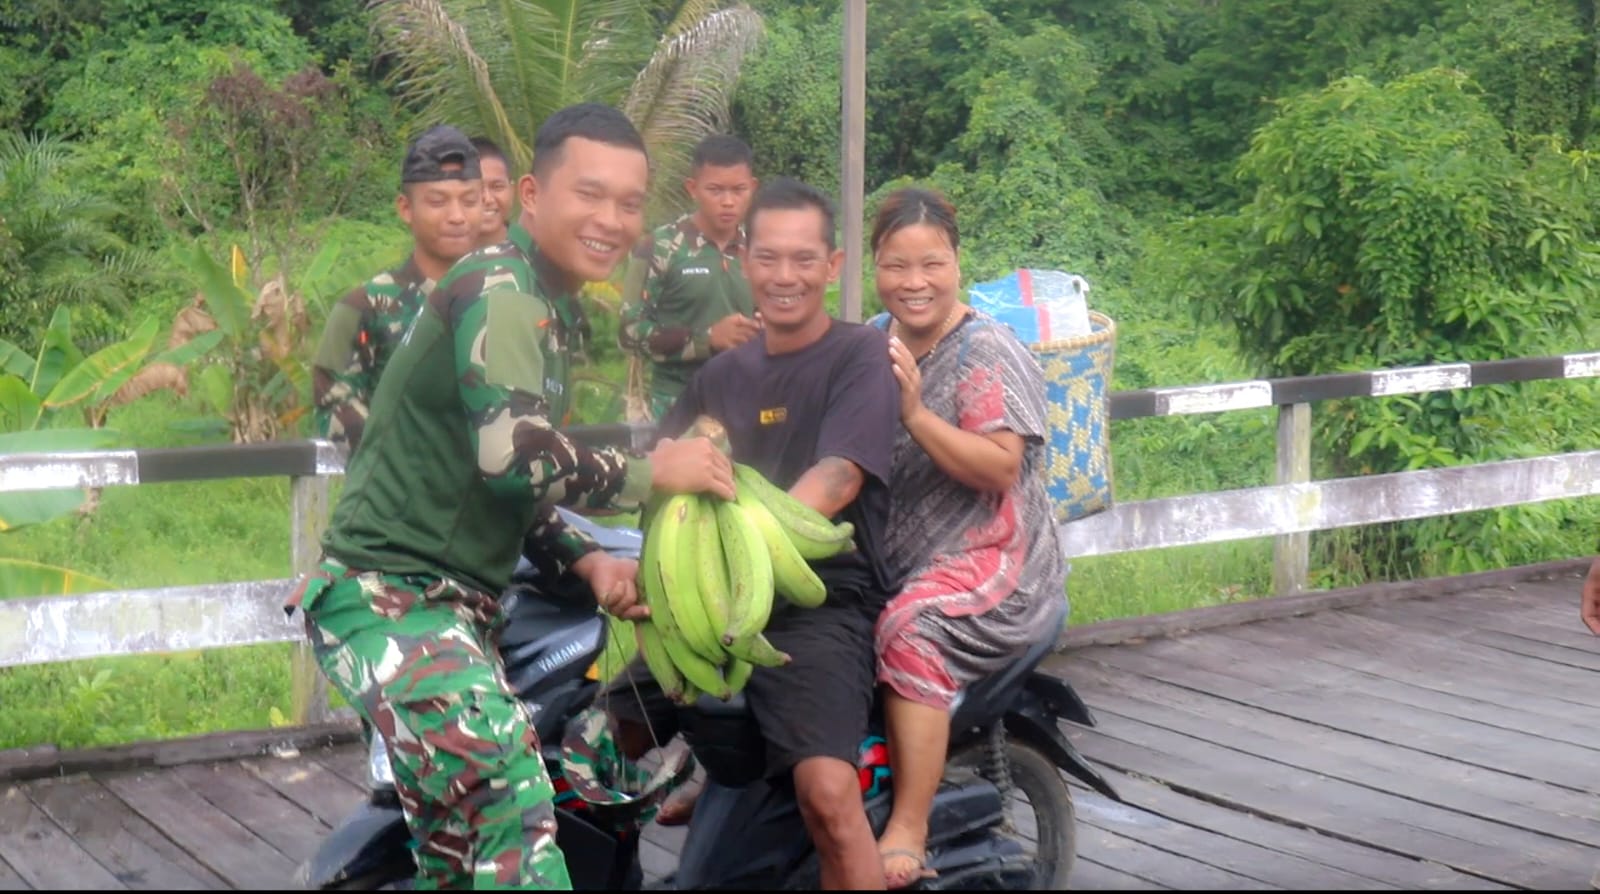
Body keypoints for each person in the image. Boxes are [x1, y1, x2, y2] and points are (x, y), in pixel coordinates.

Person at [283, 102, 735, 891]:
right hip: (397, 599)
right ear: (531, 195)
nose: (611, 220)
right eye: (589, 194)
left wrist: (589, 560)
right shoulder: (502, 288)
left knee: (463, 854)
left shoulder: (547, 304)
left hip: (441, 605)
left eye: (630, 204)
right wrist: (655, 470)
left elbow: (505, 484)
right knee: (515, 829)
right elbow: (513, 459)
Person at [607, 177, 903, 889]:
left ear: (832, 267)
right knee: (602, 747)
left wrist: (747, 562)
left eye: (804, 260)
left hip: (818, 602)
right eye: (768, 258)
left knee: (829, 798)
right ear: (744, 259)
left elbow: (838, 479)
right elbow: (663, 479)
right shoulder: (720, 376)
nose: (785, 277)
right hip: (706, 601)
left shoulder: (858, 356)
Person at [865, 187, 1067, 889]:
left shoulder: (986, 349)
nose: (913, 282)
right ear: (873, 266)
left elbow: (1001, 466)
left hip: (994, 562)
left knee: (906, 629)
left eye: (931, 264)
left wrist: (916, 413)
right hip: (896, 552)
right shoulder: (872, 340)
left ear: (956, 262)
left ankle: (910, 825)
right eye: (895, 266)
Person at [311, 124, 486, 456]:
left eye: (470, 201)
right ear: (406, 209)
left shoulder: (509, 299)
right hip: (400, 499)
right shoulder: (364, 307)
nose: (457, 216)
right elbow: (334, 404)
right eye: (438, 202)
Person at [618, 133, 762, 420]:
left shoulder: (759, 251)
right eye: (716, 190)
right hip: (675, 409)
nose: (728, 201)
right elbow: (629, 334)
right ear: (692, 189)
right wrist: (706, 340)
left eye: (738, 190)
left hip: (743, 407)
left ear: (753, 188)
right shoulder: (658, 248)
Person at [472, 135, 516, 246]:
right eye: (476, 188)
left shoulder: (539, 254)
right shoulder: (439, 257)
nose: (487, 199)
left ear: (512, 190)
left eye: (497, 187)